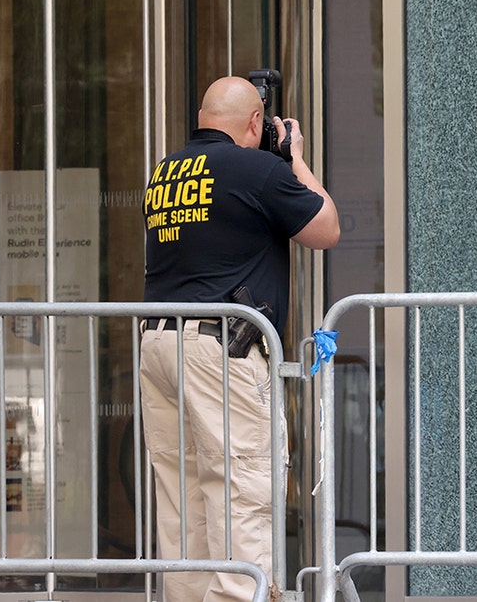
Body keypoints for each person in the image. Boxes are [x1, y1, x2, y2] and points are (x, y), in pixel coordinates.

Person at [139, 75, 340, 602]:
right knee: (243, 493)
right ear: (256, 122)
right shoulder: (258, 169)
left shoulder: (164, 173)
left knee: (182, 504)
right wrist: (293, 157)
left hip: (160, 346)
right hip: (220, 352)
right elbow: (325, 229)